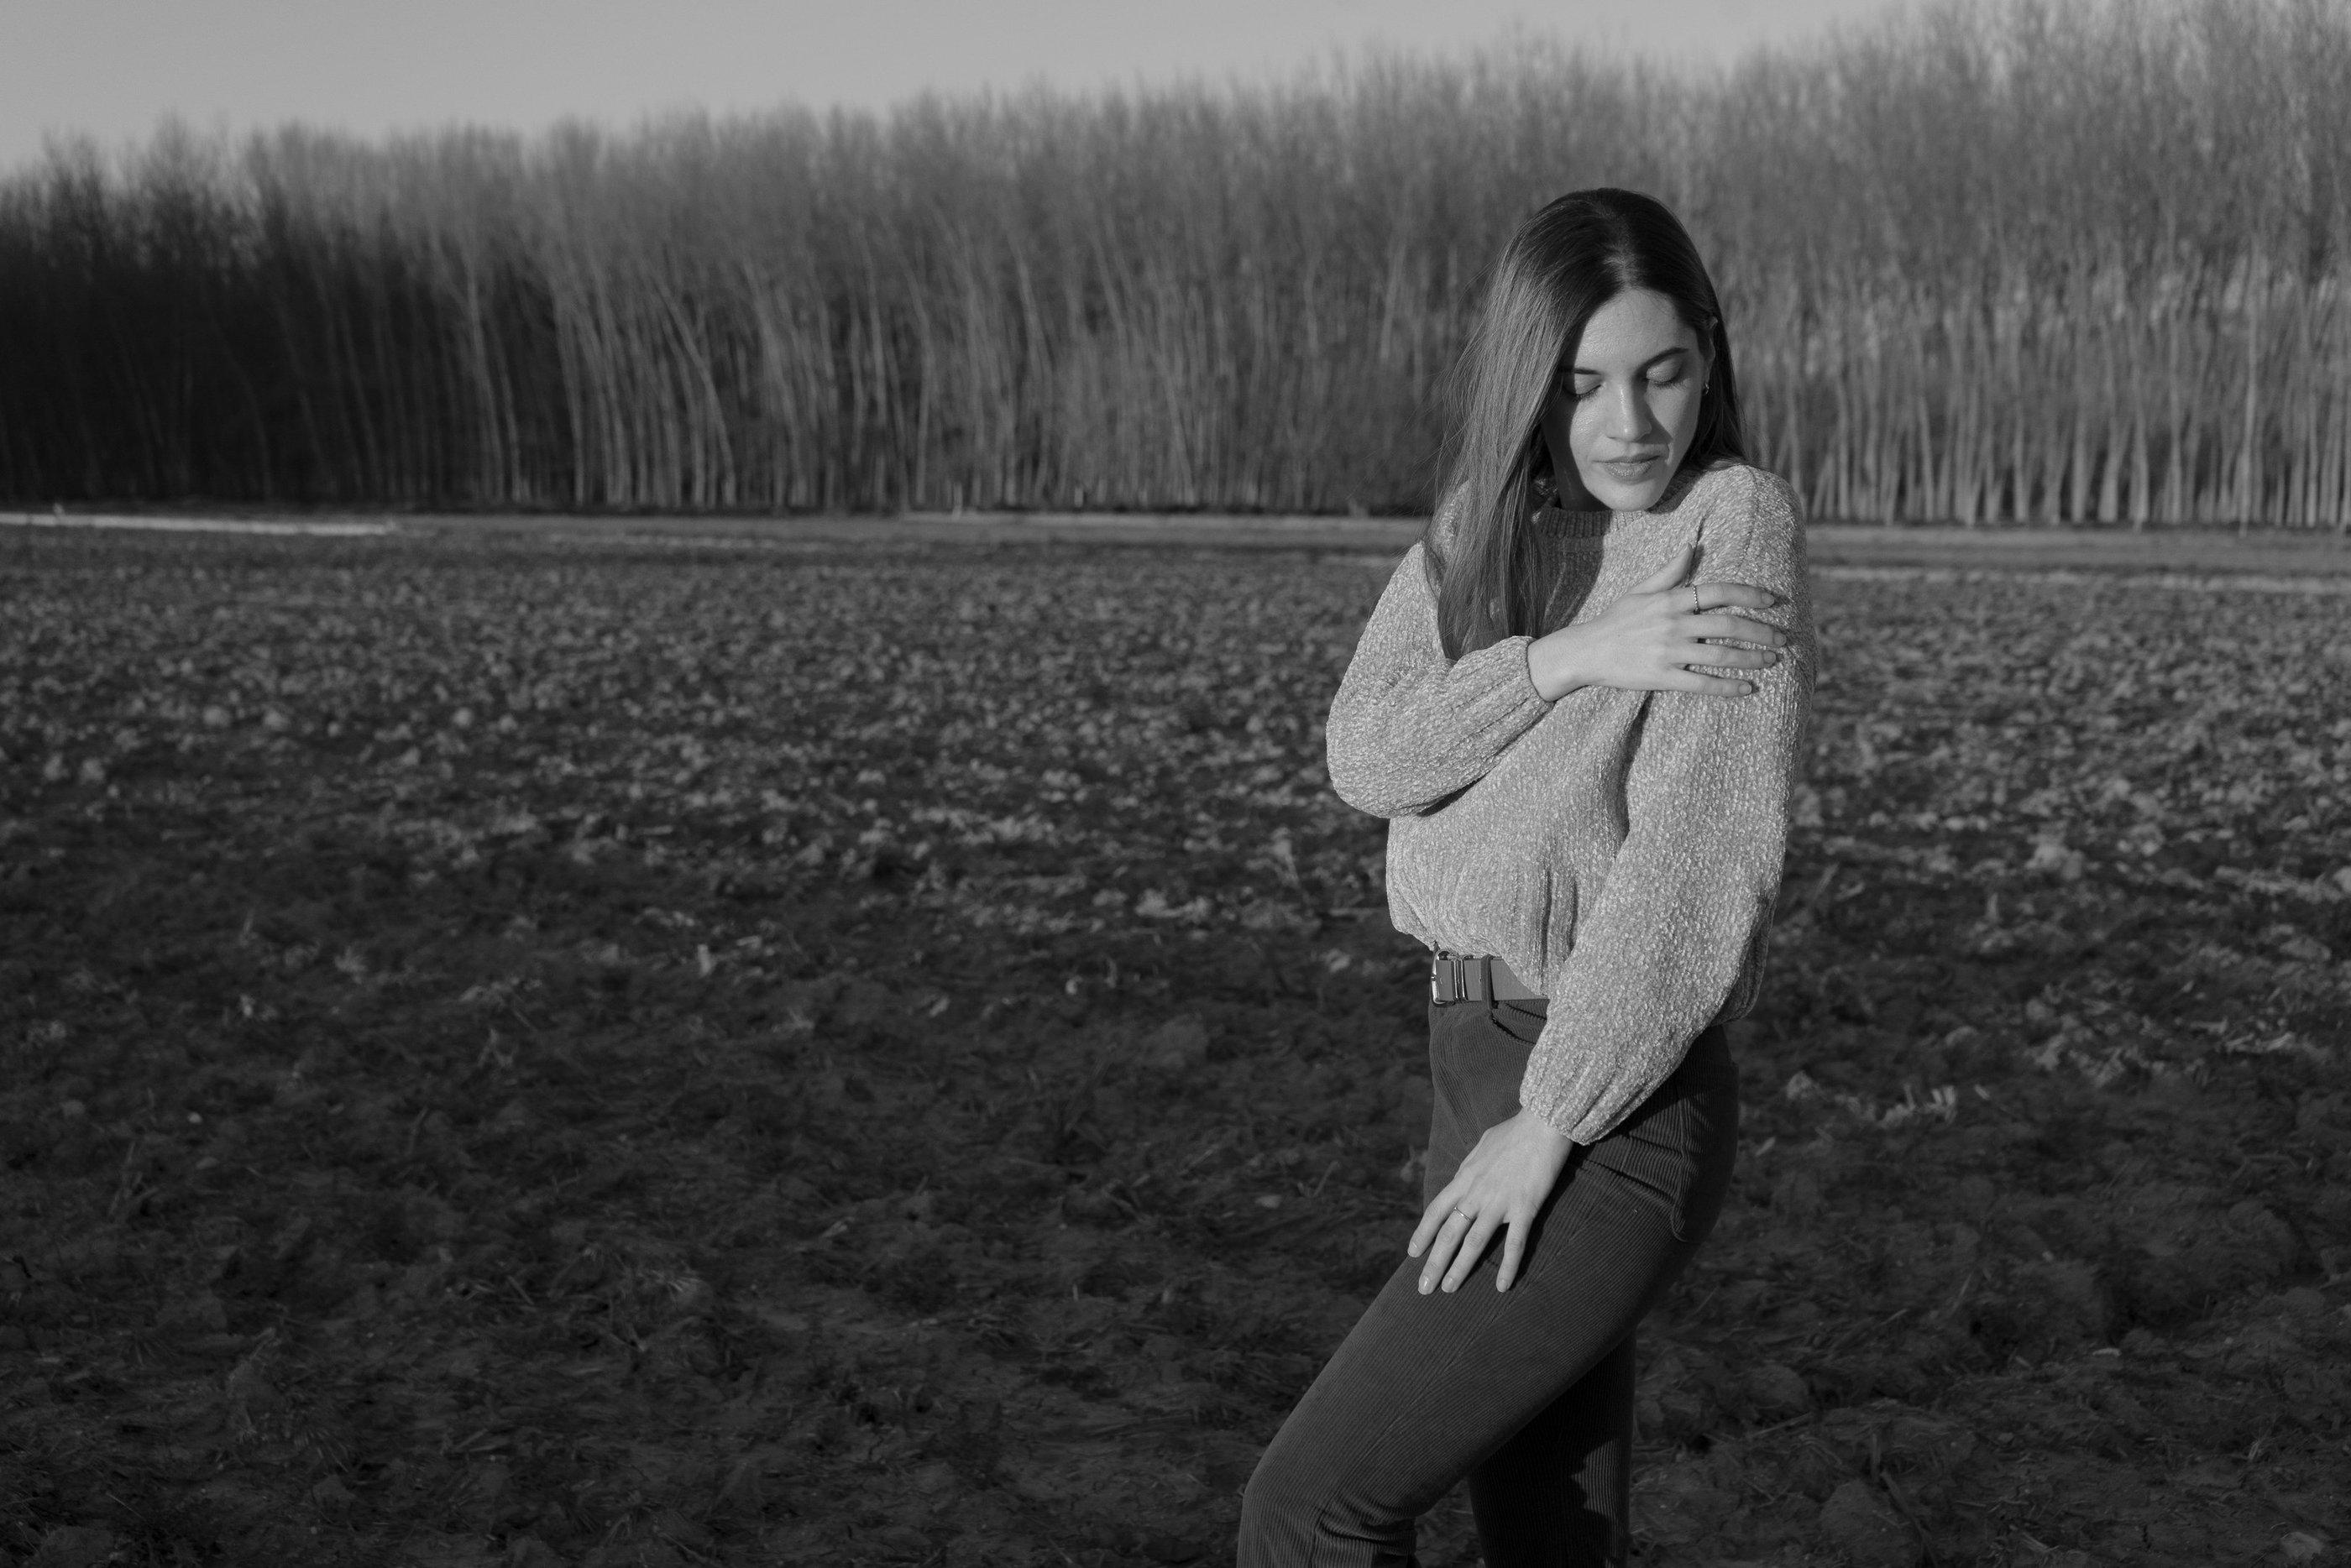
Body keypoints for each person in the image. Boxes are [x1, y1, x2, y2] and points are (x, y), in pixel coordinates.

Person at [1238, 188, 1817, 1565]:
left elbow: (1696, 868)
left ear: (1710, 356)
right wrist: (1562, 660)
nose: (1631, 423)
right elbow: (1367, 754)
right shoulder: (1476, 532)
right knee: (1548, 1546)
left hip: (1606, 1101)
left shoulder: (1729, 521)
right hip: (1470, 1065)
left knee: (1309, 1510)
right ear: (1529, 384)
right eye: (1583, 383)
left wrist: (1549, 1122)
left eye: (1663, 371)